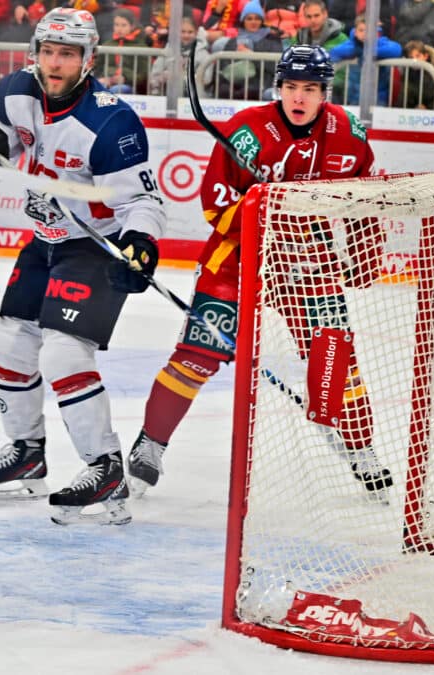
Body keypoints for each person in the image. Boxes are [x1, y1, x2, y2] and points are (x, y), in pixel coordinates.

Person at [126, 45, 392, 502]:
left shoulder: (350, 135)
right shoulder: (246, 132)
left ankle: (361, 449)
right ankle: (151, 443)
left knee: (336, 363)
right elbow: (214, 202)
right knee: (197, 355)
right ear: (279, 89)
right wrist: (259, 212)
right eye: (291, 87)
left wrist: (367, 255)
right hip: (237, 260)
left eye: (310, 89)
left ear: (325, 93)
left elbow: (363, 200)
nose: (299, 97)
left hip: (309, 263)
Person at [0, 7, 166, 526]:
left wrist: (141, 242)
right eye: (48, 51)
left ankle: (106, 468)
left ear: (87, 59)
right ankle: (26, 452)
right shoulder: (12, 94)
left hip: (97, 245)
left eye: (67, 54)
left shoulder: (111, 120)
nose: (55, 63)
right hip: (46, 238)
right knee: (10, 340)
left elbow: (143, 201)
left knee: (63, 352)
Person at [327, 15, 402, 106]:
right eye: (361, 30)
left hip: (378, 98)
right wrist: (357, 49)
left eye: (368, 30)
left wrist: (368, 51)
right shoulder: (352, 44)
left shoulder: (381, 43)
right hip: (353, 97)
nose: (364, 33)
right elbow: (334, 53)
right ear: (355, 32)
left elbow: (396, 49)